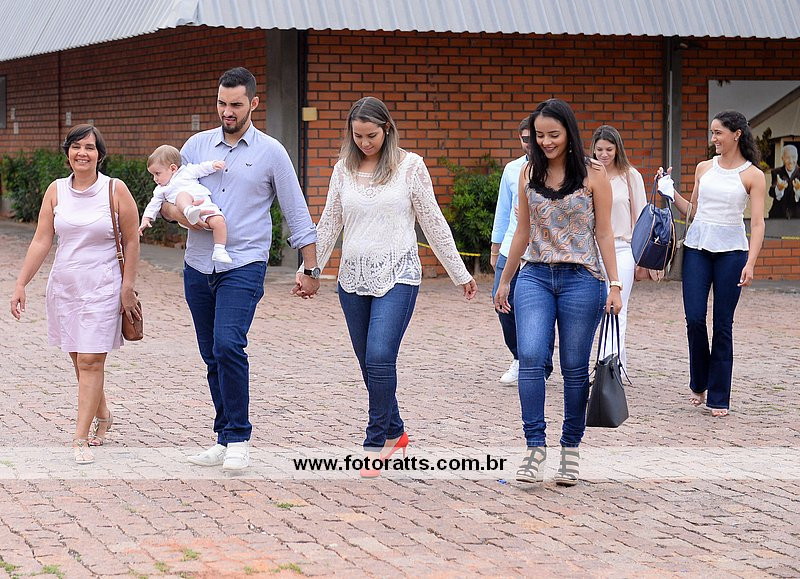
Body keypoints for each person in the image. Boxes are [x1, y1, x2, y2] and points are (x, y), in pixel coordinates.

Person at [299, 96, 477, 478]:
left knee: (380, 356)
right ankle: (395, 432)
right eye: (358, 136)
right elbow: (329, 223)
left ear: (387, 130)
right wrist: (309, 269)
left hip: (399, 274)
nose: (365, 142)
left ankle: (375, 441)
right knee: (369, 364)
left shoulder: (410, 167)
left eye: (372, 135)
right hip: (352, 278)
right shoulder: (342, 170)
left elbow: (433, 221)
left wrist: (459, 272)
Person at [159, 67, 320, 472]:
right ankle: (223, 436)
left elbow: (296, 209)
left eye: (235, 104)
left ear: (253, 104)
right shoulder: (195, 146)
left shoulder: (271, 152)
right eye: (221, 103)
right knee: (211, 353)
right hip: (198, 265)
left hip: (244, 263)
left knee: (229, 343)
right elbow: (164, 201)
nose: (226, 111)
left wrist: (311, 267)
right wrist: (182, 215)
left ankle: (239, 437)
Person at [495, 99, 622, 486]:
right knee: (531, 356)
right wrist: (505, 279)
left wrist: (615, 284)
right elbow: (522, 230)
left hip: (582, 278)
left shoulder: (593, 173)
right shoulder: (528, 172)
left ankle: (570, 449)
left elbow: (604, 233)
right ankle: (534, 447)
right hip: (534, 274)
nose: (546, 142)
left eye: (553, 134)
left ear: (569, 132)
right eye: (539, 135)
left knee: (573, 366)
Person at [9, 124, 141, 464]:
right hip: (65, 288)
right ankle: (104, 414)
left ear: (100, 154)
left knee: (90, 361)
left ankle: (79, 438)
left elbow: (132, 240)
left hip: (104, 288)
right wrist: (21, 283)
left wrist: (127, 286)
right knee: (79, 362)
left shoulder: (115, 189)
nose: (83, 153)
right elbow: (42, 239)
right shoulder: (56, 191)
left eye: (90, 147)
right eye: (77, 146)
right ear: (67, 152)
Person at [656, 110, 765, 418]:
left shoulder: (753, 175)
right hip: (697, 250)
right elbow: (693, 210)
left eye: (718, 133)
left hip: (732, 254)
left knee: (723, 325)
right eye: (712, 132)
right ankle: (699, 382)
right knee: (694, 319)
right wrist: (669, 190)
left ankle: (718, 397)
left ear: (736, 134)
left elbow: (758, 223)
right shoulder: (704, 168)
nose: (713, 138)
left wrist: (751, 263)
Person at [591, 124, 654, 371]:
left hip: (623, 248)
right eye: (599, 149)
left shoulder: (630, 176)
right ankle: (618, 362)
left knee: (617, 306)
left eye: (609, 149)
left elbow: (642, 218)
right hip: (593, 250)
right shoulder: (588, 175)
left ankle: (608, 364)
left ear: (617, 149)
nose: (604, 154)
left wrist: (641, 257)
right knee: (598, 307)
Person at [139, 144, 231, 264]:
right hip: (184, 211)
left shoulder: (187, 171)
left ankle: (219, 250)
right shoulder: (161, 189)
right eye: (153, 175)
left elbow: (201, 168)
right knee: (182, 195)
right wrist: (146, 219)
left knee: (219, 221)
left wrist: (213, 165)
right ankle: (189, 210)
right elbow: (153, 204)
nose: (155, 179)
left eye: (157, 173)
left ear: (173, 168)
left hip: (204, 204)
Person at [767, 144, 799, 219]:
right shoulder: (776, 172)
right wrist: (779, 188)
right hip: (778, 215)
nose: (791, 161)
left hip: (797, 217)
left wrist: (798, 189)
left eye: (793, 157)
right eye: (787, 157)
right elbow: (771, 192)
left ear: (797, 157)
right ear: (782, 158)